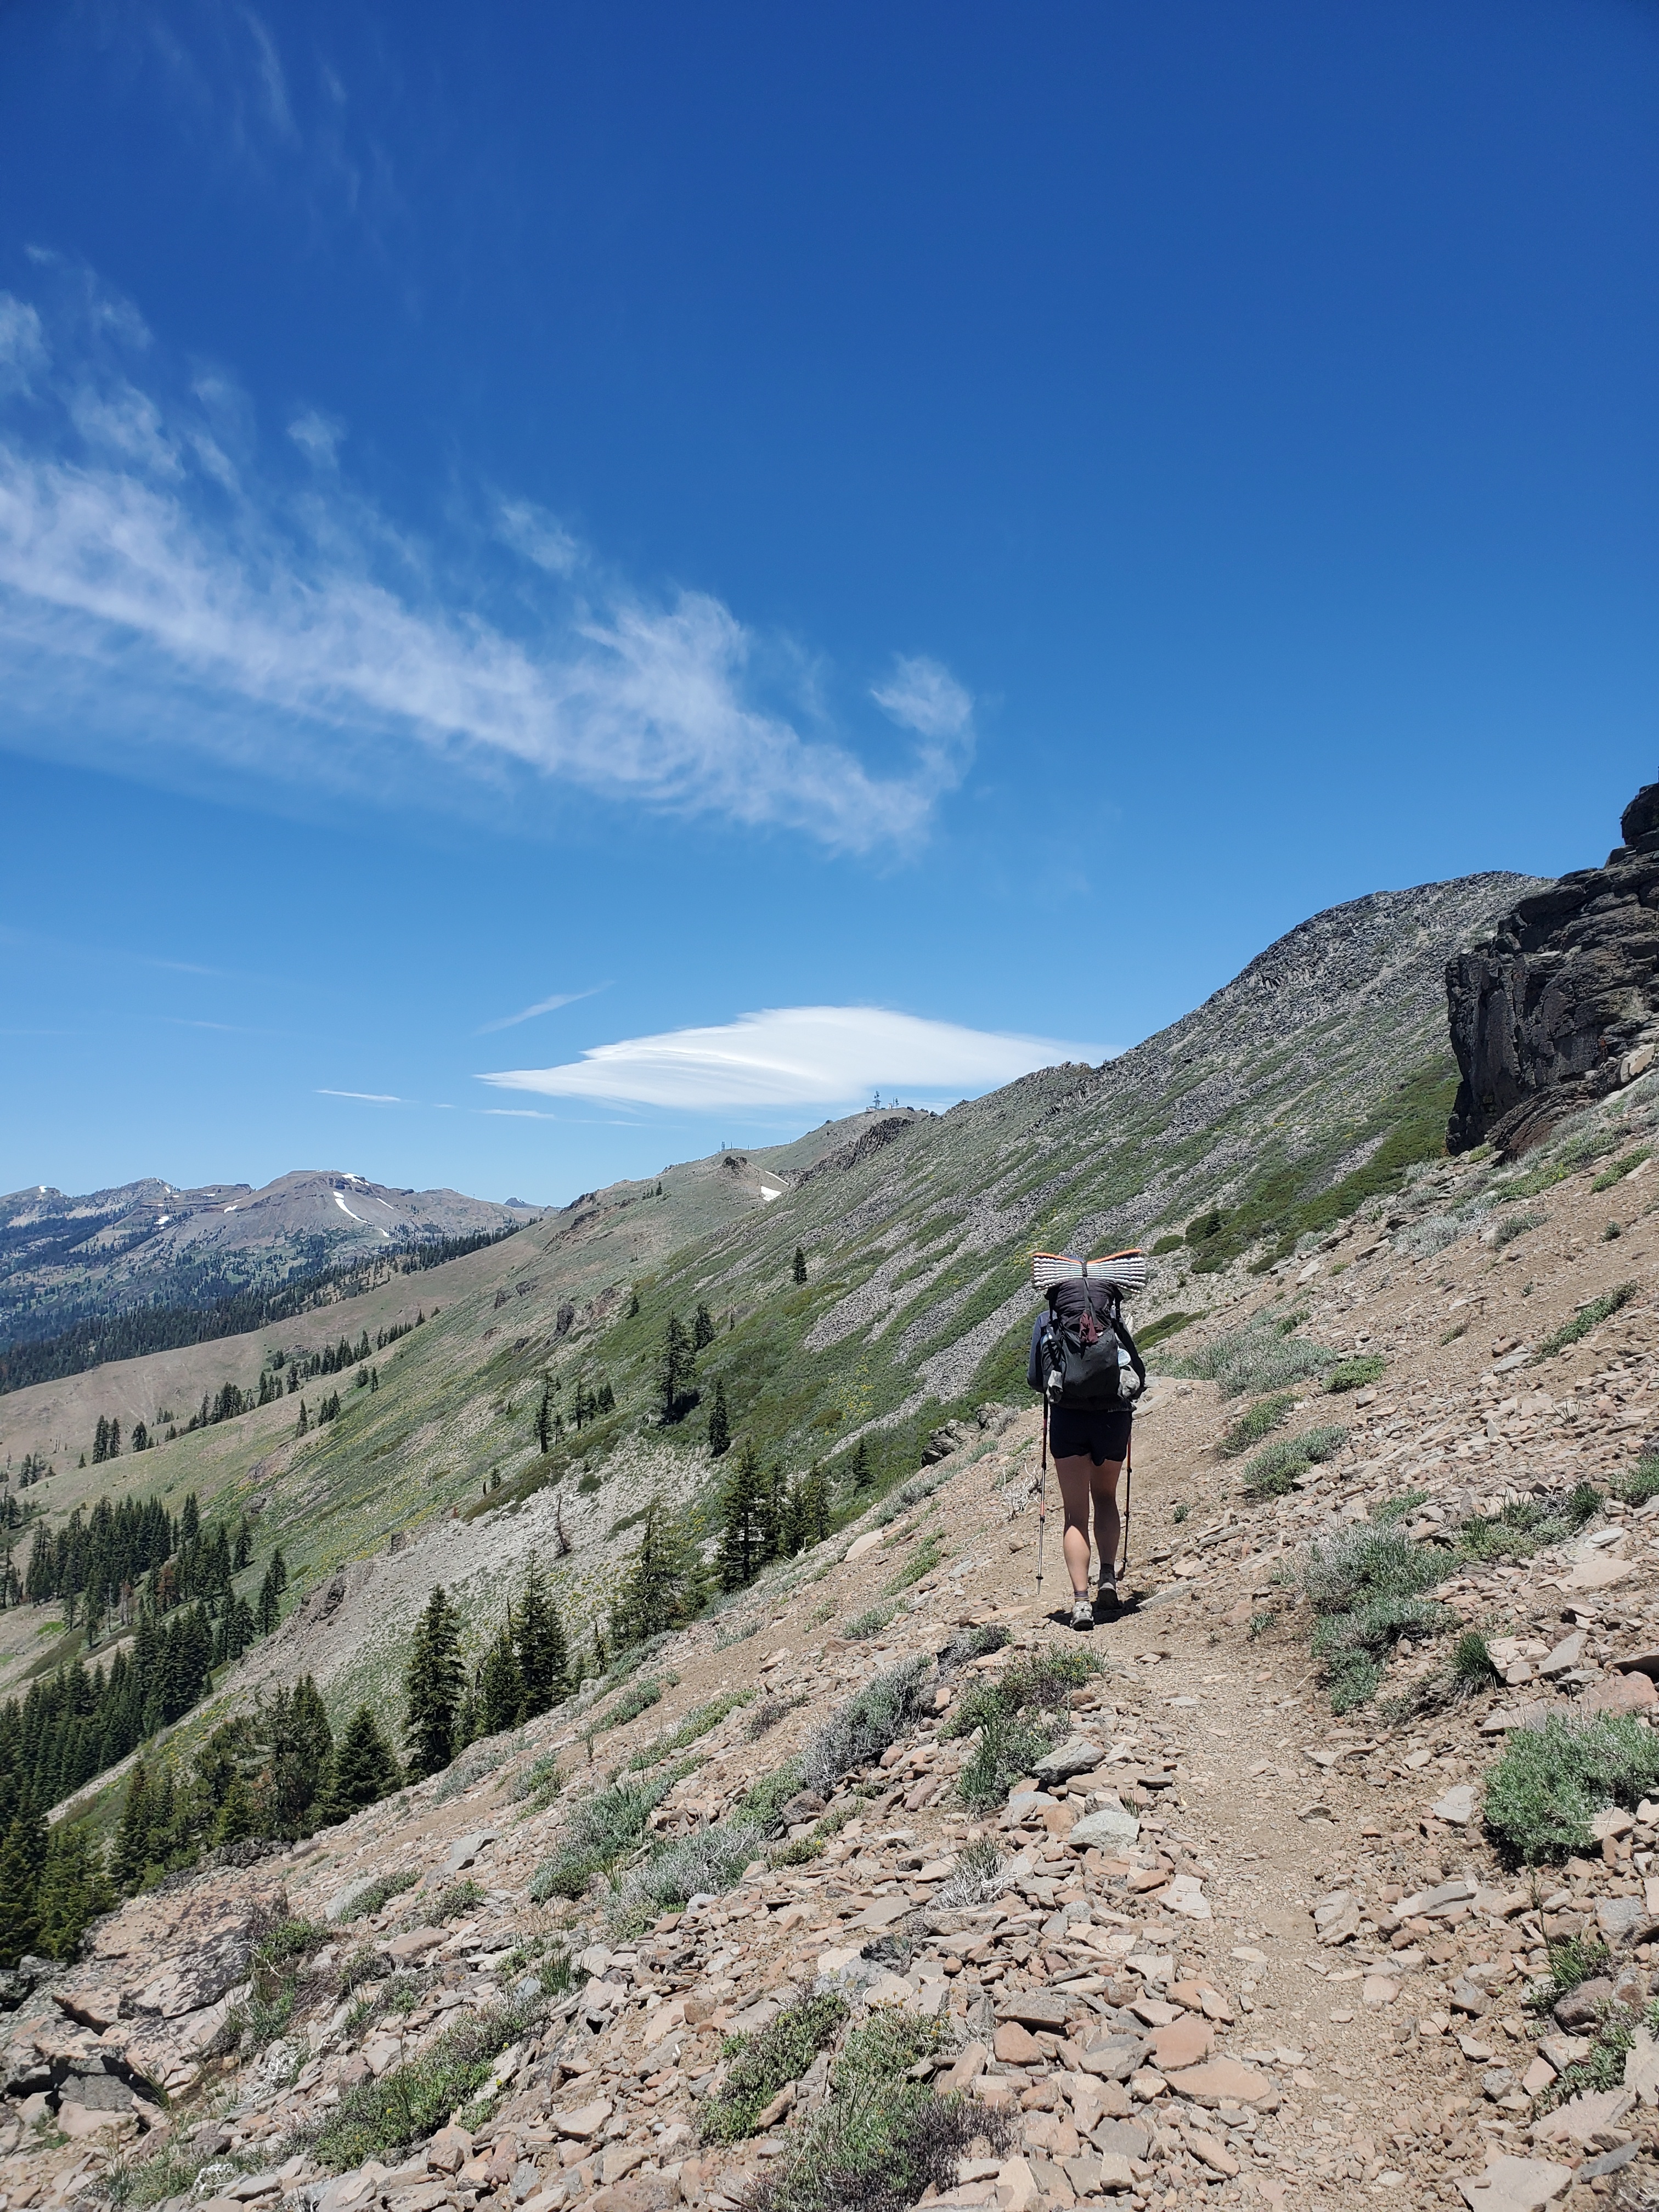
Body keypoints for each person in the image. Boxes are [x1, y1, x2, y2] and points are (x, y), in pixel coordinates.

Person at [1027, 1277, 1146, 1630]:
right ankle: (1107, 1578)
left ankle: (1081, 1603)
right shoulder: (1112, 1321)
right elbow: (1137, 1374)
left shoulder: (1048, 1322)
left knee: (1075, 1515)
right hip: (1113, 1419)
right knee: (1106, 1497)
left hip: (1069, 1421)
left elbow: (1035, 1378)